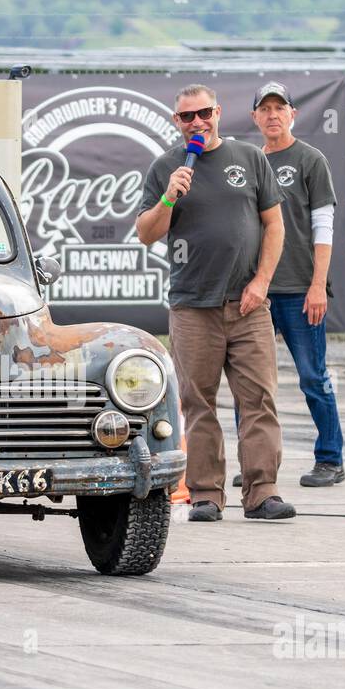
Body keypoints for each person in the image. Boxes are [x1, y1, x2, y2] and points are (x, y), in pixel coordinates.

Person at [135, 84, 295, 522]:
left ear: (218, 112)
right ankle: (206, 494)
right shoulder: (166, 168)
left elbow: (274, 225)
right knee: (197, 403)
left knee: (259, 400)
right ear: (177, 122)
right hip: (192, 306)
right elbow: (146, 233)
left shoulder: (249, 158)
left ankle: (262, 492)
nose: (197, 122)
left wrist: (262, 282)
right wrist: (169, 196)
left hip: (248, 305)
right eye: (187, 116)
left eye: (204, 113)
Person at [250, 82, 345, 487]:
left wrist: (318, 285)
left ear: (293, 114)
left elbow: (324, 226)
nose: (272, 115)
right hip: (257, 292)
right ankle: (256, 464)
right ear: (255, 117)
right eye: (265, 109)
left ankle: (330, 459)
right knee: (251, 383)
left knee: (312, 376)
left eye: (280, 108)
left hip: (300, 291)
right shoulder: (250, 162)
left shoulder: (310, 160)